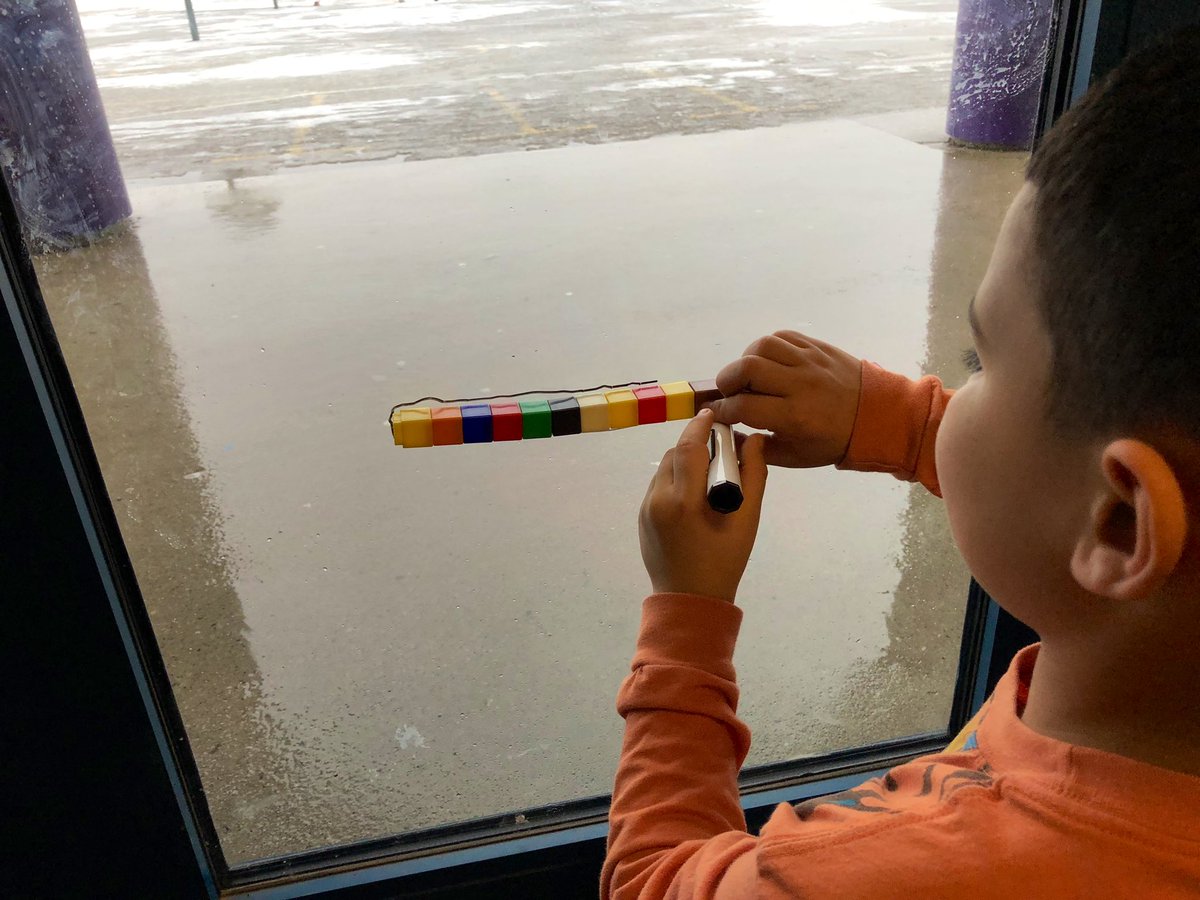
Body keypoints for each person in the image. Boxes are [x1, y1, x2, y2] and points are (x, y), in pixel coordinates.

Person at [603, 27, 1200, 900]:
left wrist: (685, 618)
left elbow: (651, 882)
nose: (958, 388)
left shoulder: (860, 881)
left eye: (980, 362)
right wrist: (896, 422)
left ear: (1117, 522)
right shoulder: (1155, 685)